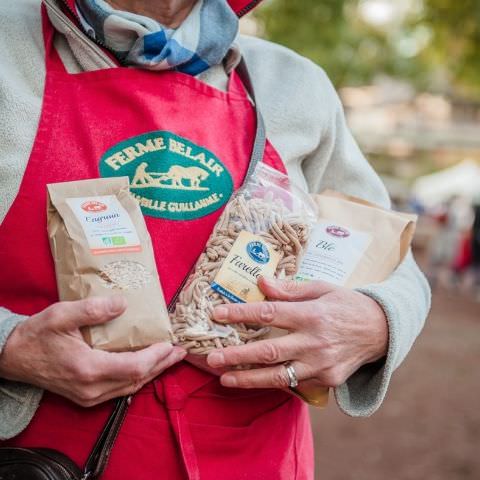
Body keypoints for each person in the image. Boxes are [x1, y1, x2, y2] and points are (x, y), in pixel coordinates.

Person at [0, 0, 431, 478]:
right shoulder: (8, 46)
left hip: (258, 460)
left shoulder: (294, 83)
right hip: (41, 458)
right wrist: (10, 348)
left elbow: (393, 259)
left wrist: (375, 322)